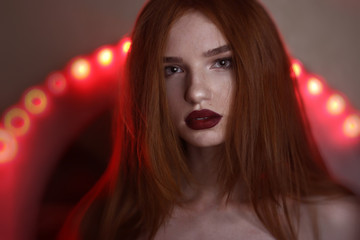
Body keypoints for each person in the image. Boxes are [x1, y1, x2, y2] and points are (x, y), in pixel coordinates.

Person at [59, 0, 360, 239]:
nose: (196, 92)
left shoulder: (333, 221)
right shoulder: (103, 222)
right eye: (172, 70)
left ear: (261, 73)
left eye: (222, 62)